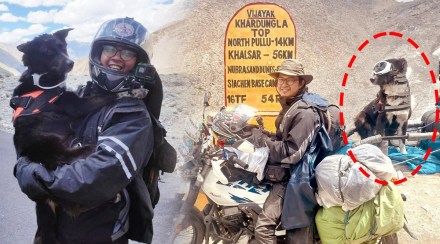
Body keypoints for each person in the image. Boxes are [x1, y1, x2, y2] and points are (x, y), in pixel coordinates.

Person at [14, 17, 164, 244]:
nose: (116, 57)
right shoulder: (83, 94)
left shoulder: (133, 116)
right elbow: (35, 142)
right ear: (98, 53)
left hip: (98, 235)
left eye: (127, 53)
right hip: (54, 231)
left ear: (138, 62)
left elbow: (94, 178)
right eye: (110, 48)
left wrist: (30, 172)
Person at [253, 59, 322, 244]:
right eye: (280, 79)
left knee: (263, 229)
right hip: (290, 171)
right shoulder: (291, 106)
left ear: (301, 83)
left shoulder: (304, 113)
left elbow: (290, 152)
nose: (283, 84)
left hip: (294, 177)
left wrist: (261, 140)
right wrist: (260, 134)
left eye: (289, 80)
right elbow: (284, 138)